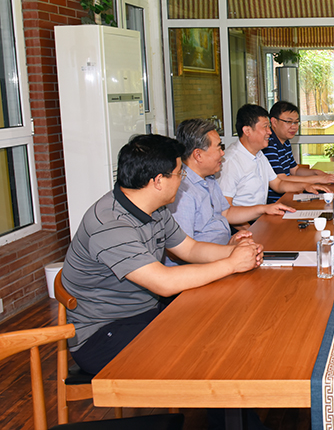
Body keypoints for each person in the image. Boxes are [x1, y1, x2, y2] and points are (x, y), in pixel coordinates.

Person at [61, 135, 264, 375]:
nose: (182, 180)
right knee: (206, 354)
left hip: (143, 312)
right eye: (179, 174)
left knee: (220, 329)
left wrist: (235, 252)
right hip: (102, 334)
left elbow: (189, 249)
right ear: (158, 180)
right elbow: (163, 283)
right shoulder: (110, 224)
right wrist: (231, 264)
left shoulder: (154, 209)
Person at [168, 118, 295, 249]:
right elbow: (185, 250)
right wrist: (229, 250)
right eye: (219, 147)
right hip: (212, 259)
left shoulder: (209, 179)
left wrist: (264, 209)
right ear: (198, 155)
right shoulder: (182, 192)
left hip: (225, 249)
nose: (223, 153)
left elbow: (226, 212)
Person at [220, 104, 326, 208]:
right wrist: (258, 216)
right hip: (251, 218)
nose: (270, 132)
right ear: (247, 131)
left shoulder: (259, 154)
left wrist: (305, 186)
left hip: (262, 214)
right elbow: (225, 211)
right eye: (265, 127)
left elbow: (278, 184)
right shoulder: (230, 162)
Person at [264, 101, 334, 203]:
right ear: (274, 122)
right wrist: (319, 179)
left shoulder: (285, 142)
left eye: (296, 122)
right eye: (289, 122)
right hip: (277, 202)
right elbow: (282, 179)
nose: (294, 126)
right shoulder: (268, 145)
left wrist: (316, 172)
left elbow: (295, 170)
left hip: (289, 195)